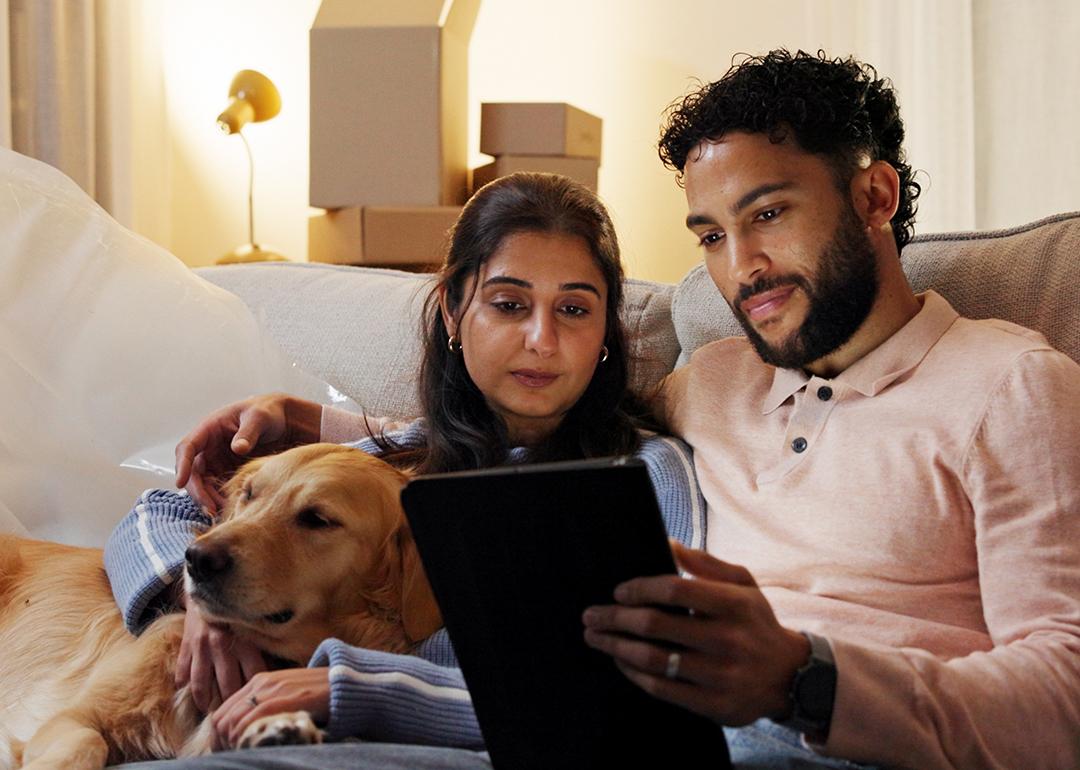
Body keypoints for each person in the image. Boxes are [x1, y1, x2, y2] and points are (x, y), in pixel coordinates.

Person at [104, 172, 707, 767]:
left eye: (574, 309)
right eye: (508, 304)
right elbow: (161, 510)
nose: (542, 339)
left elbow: (634, 676)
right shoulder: (401, 458)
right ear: (451, 310)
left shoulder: (647, 473)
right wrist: (199, 608)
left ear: (606, 329)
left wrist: (356, 686)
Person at [582, 49, 1080, 769]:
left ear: (875, 197)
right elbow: (538, 424)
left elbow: (1065, 695)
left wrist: (802, 678)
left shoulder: (1015, 388)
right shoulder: (710, 382)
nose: (741, 267)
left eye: (769, 213)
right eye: (713, 236)